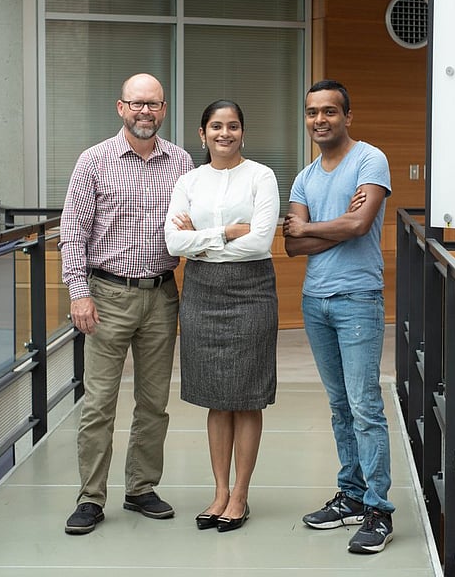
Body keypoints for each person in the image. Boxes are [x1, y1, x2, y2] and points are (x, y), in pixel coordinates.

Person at [59, 73, 194, 535]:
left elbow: (192, 225)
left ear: (163, 109)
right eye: (137, 104)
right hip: (107, 296)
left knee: (154, 403)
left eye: (153, 105)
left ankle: (140, 488)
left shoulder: (181, 161)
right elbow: (72, 233)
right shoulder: (93, 161)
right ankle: (90, 498)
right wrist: (78, 292)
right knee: (99, 403)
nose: (145, 112)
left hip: (162, 294)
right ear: (121, 108)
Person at [283, 79, 395, 554]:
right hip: (316, 301)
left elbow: (360, 223)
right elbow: (292, 244)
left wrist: (315, 227)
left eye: (330, 112)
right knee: (339, 407)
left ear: (347, 116)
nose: (320, 120)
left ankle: (378, 510)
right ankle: (349, 494)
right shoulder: (304, 176)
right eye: (312, 112)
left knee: (366, 407)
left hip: (358, 299)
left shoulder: (370, 160)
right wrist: (332, 228)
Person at [164, 100, 279, 533]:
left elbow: (261, 241)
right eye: (216, 126)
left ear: (242, 132)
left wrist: (201, 239)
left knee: (246, 395)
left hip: (252, 290)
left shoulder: (261, 176)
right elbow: (173, 243)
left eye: (232, 126)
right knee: (216, 396)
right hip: (201, 293)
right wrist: (228, 232)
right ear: (202, 133)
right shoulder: (189, 180)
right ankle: (218, 492)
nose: (224, 133)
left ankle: (241, 494)